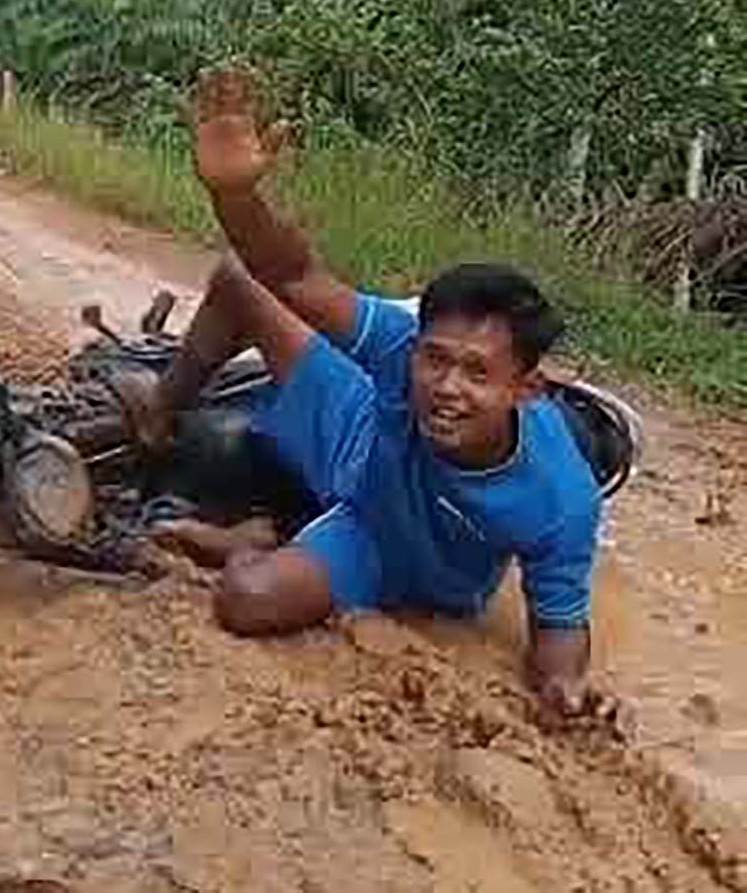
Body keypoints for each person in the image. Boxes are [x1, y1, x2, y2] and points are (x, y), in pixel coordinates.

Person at [130, 67, 611, 725]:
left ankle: (245, 538)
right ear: (416, 345)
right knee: (239, 278)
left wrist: (567, 690)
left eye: (477, 373)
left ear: (527, 388)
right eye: (434, 360)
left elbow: (559, 632)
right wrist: (236, 199)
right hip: (356, 441)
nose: (446, 387)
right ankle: (158, 412)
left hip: (384, 550)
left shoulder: (562, 497)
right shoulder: (398, 345)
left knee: (244, 597)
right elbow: (298, 275)